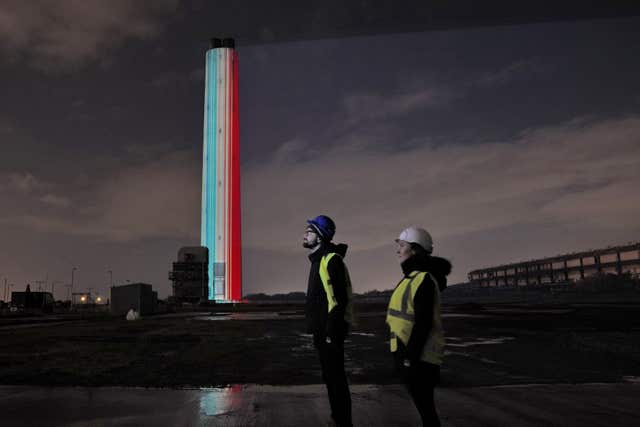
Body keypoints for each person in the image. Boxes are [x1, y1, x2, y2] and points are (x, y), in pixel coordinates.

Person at [386, 226, 451, 426]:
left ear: (414, 249)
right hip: (412, 355)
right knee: (425, 409)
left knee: (427, 411)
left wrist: (409, 358)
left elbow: (423, 323)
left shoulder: (422, 279)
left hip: (420, 358)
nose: (398, 250)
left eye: (402, 245)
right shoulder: (411, 278)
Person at [303, 214, 354, 427]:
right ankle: (338, 417)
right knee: (330, 378)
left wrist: (330, 332)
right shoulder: (319, 260)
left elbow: (339, 301)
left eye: (310, 231)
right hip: (323, 332)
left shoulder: (330, 260)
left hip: (330, 333)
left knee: (336, 379)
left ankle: (343, 421)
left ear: (320, 236)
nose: (305, 234)